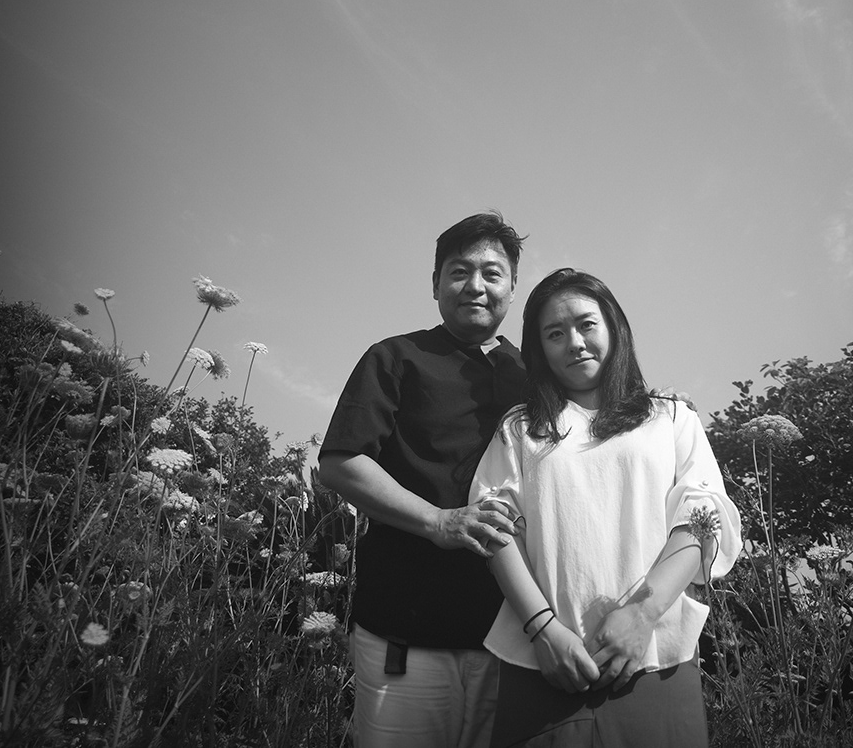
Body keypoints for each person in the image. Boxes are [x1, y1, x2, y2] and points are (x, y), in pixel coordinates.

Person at [469, 268, 743, 747]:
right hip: (544, 665)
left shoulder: (670, 418)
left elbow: (702, 519)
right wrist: (543, 630)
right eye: (555, 334)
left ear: (614, 326)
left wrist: (642, 615)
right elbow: (494, 528)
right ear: (539, 349)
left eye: (586, 324)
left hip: (656, 660)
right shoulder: (520, 428)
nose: (574, 343)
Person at [316, 212, 528, 747]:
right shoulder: (396, 357)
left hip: (516, 639)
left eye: (492, 273)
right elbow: (341, 461)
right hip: (405, 630)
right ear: (435, 284)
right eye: (458, 272)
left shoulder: (535, 377)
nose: (475, 286)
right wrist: (438, 521)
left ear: (512, 287)